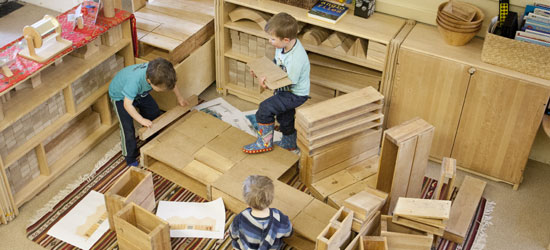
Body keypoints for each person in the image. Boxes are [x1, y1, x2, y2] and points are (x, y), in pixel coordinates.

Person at [243, 12, 310, 154]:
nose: (269, 41)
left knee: (265, 109)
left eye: (272, 39)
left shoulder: (296, 58)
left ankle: (264, 143)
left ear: (286, 39)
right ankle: (290, 142)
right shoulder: (282, 47)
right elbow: (276, 66)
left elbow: (288, 82)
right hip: (285, 88)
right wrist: (260, 72)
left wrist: (266, 83)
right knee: (284, 115)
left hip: (295, 93)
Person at [108, 57, 188, 166]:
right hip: (121, 97)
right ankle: (130, 157)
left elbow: (172, 84)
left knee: (154, 111)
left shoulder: (158, 70)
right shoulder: (134, 82)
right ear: (149, 81)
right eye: (161, 89)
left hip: (139, 93)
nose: (163, 91)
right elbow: (127, 105)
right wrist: (141, 120)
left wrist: (180, 98)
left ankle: (151, 138)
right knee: (127, 129)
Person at [230, 175, 292, 250]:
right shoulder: (279, 218)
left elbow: (233, 234)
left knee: (237, 243)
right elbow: (288, 232)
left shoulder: (240, 218)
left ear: (247, 202)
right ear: (271, 199)